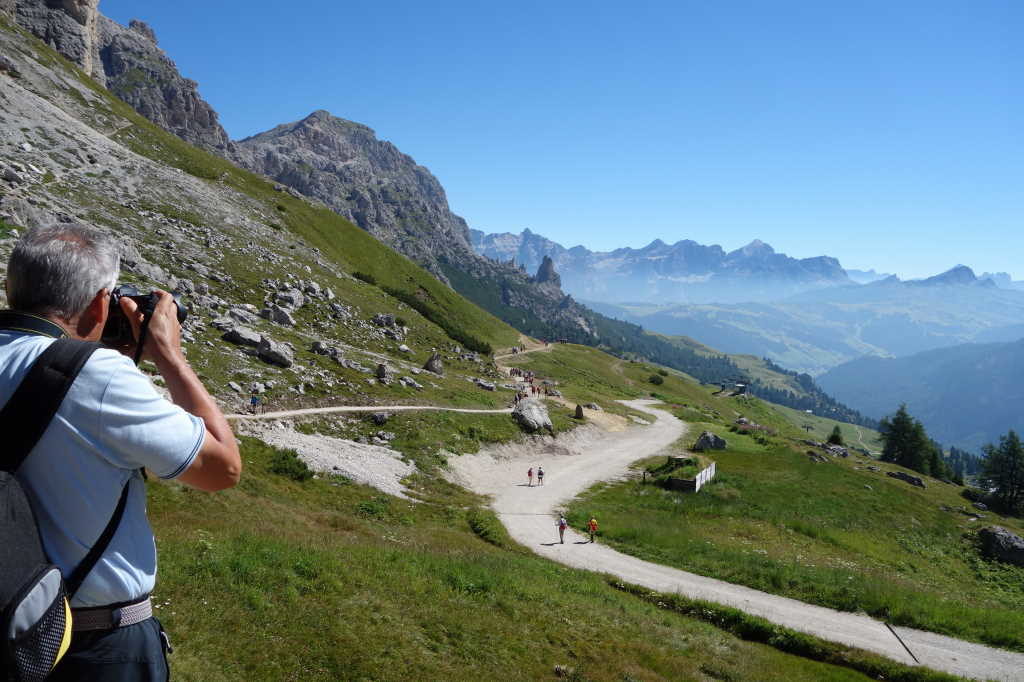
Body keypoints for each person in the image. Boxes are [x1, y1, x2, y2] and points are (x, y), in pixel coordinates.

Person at [1, 223, 241, 681]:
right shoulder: (99, 376)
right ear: (97, 304)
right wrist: (170, 354)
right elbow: (222, 468)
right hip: (90, 647)